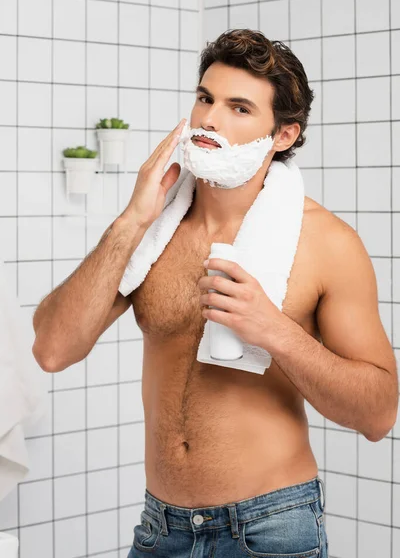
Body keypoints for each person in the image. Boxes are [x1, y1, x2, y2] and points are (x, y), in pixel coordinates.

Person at [32, 30, 398, 558]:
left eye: (239, 107)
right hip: (160, 528)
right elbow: (51, 349)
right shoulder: (152, 232)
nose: (209, 119)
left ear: (283, 135)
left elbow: (379, 415)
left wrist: (275, 332)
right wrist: (133, 218)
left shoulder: (329, 245)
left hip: (269, 528)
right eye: (205, 98)